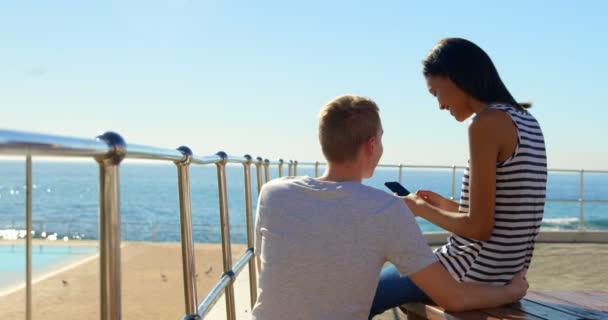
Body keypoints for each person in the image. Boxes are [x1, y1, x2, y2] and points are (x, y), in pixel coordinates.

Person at [252, 94, 528, 320]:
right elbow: (452, 298)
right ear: (371, 145)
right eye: (381, 138)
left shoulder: (273, 193)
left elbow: (270, 270)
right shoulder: (386, 210)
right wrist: (511, 291)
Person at [370, 38, 547, 317]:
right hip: (502, 272)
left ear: (454, 78)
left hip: (467, 272)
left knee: (358, 295)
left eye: (436, 92)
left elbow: (479, 229)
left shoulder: (485, 123)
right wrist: (445, 206)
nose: (440, 105)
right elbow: (502, 218)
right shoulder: (526, 121)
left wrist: (421, 209)